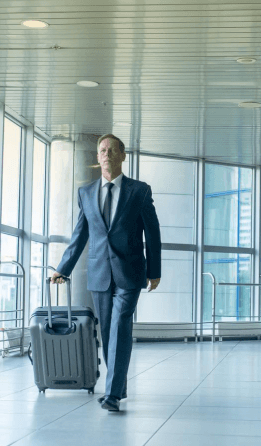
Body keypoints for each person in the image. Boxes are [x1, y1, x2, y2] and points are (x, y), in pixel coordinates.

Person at [51, 134, 161, 412]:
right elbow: (80, 235)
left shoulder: (140, 191)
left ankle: (112, 394)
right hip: (99, 273)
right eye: (102, 150)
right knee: (108, 330)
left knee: (121, 327)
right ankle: (118, 386)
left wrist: (154, 270)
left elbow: (153, 234)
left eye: (113, 150)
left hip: (130, 272)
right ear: (97, 157)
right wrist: (63, 268)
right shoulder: (85, 193)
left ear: (123, 155)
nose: (107, 154)